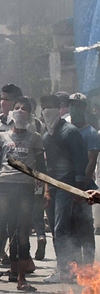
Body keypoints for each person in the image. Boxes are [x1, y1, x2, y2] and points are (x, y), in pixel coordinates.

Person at [0, 97, 47, 292]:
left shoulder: (35, 138)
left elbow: (41, 168)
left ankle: (21, 278)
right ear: (12, 112)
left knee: (23, 233)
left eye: (24, 109)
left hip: (25, 189)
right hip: (4, 188)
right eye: (17, 107)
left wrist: (46, 191)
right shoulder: (1, 136)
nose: (20, 111)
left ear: (30, 115)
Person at [41, 94, 88, 282]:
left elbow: (81, 160)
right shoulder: (46, 136)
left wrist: (78, 188)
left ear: (59, 108)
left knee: (62, 229)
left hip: (67, 187)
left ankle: (68, 270)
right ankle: (63, 268)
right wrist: (46, 188)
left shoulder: (70, 132)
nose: (47, 111)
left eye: (50, 106)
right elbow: (47, 166)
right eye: (43, 107)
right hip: (52, 187)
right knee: (54, 228)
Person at [68, 93, 99, 265]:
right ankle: (73, 266)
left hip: (84, 187)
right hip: (65, 185)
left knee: (85, 228)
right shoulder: (65, 129)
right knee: (69, 229)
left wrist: (80, 189)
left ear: (84, 108)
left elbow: (91, 162)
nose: (74, 108)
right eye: (72, 105)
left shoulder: (91, 133)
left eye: (78, 105)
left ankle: (88, 266)